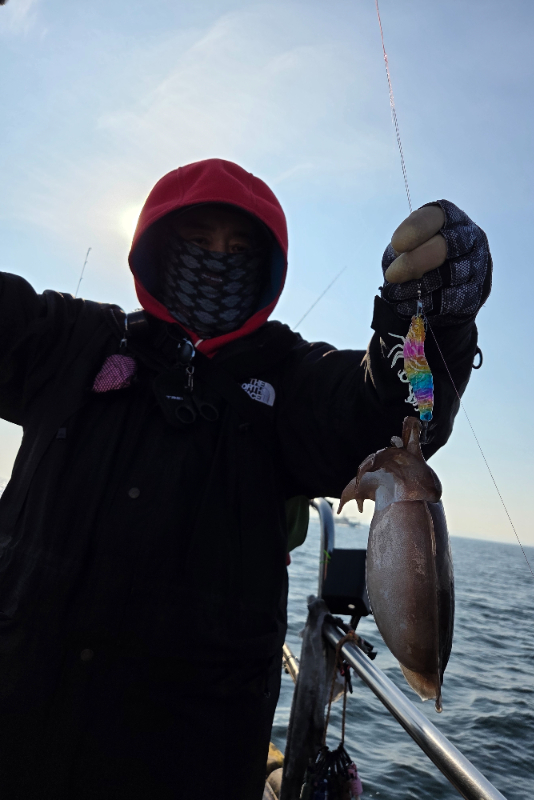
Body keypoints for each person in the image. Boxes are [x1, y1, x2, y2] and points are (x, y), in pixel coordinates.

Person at [0, 158, 492, 799]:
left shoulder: (290, 381)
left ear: (266, 270)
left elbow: (389, 411)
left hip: (192, 761)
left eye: (238, 251)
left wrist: (431, 319)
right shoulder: (74, 341)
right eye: (197, 240)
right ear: (157, 248)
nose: (216, 262)